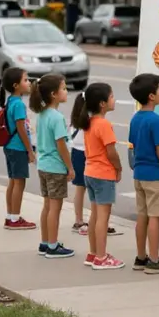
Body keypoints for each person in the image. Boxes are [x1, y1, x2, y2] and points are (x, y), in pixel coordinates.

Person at [128, 73, 159, 274]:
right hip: (155, 174)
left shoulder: (135, 118)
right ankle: (155, 260)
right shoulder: (156, 120)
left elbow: (134, 144)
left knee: (142, 216)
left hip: (139, 173)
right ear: (151, 96)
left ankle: (141, 257)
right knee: (156, 217)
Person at [72, 82, 123, 270]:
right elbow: (111, 151)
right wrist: (118, 168)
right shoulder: (104, 124)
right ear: (103, 104)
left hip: (90, 172)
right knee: (103, 217)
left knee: (94, 214)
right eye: (111, 97)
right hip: (103, 174)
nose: (114, 100)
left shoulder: (89, 123)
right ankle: (102, 257)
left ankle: (93, 253)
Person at [30, 73, 75, 258]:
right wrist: (70, 167)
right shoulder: (57, 117)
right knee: (55, 208)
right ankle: (53, 246)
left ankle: (45, 242)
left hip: (43, 165)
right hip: (56, 167)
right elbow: (61, 145)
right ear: (53, 94)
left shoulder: (41, 114)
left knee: (47, 205)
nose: (66, 91)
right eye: (64, 88)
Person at [0, 67, 36, 230]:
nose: (28, 83)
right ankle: (14, 219)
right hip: (18, 147)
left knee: (13, 181)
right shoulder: (19, 105)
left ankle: (10, 215)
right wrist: (29, 150)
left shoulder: (11, 102)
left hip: (9, 146)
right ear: (16, 85)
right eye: (25, 80)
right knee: (19, 182)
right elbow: (21, 129)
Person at [68, 100, 88, 234]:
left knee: (80, 189)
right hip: (86, 153)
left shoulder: (74, 123)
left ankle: (78, 219)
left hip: (76, 153)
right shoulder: (88, 123)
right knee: (88, 188)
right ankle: (81, 221)